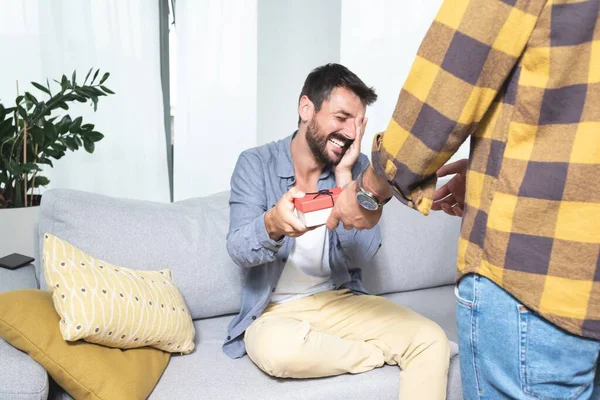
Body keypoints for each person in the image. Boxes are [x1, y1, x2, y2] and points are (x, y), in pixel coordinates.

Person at [326, 1, 600, 398]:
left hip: (532, 279)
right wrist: (501, 171)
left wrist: (370, 188)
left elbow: (451, 81)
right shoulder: (258, 164)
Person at [224, 63, 450, 399]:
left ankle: (369, 345)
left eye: (358, 123)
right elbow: (238, 249)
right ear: (306, 109)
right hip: (275, 312)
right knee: (278, 352)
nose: (349, 132)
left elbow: (364, 252)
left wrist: (346, 178)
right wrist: (271, 223)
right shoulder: (255, 164)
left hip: (340, 301)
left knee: (432, 340)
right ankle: (375, 352)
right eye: (341, 117)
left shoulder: (359, 169)